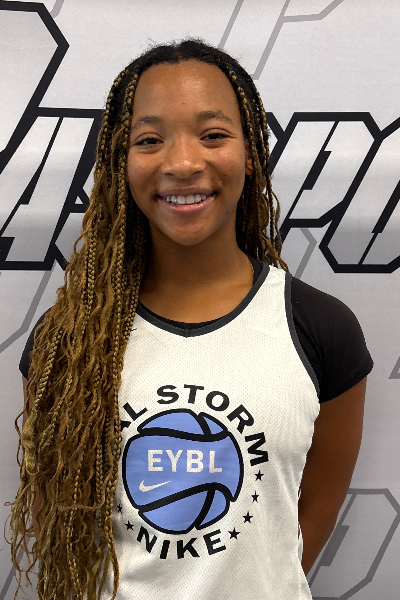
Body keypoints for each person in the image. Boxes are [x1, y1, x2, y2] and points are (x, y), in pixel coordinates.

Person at [9, 39, 373, 600]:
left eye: (213, 134)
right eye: (149, 140)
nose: (182, 163)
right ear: (121, 163)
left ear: (250, 154)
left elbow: (295, 540)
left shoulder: (322, 329)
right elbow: (59, 527)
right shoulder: (69, 340)